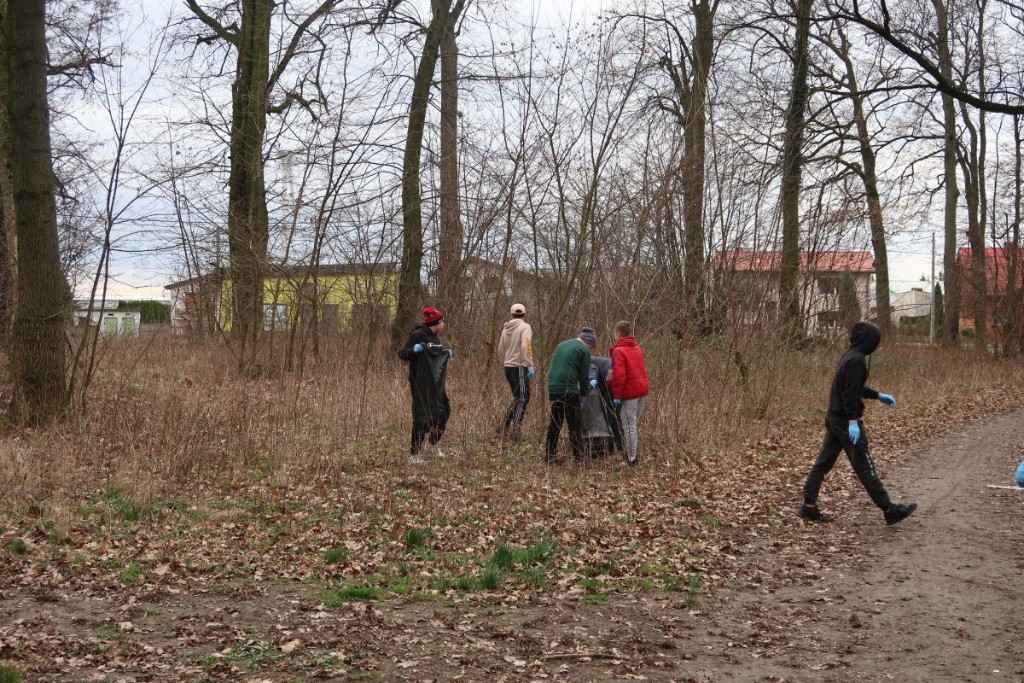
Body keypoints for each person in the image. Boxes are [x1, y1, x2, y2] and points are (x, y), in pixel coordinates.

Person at [797, 321, 917, 525]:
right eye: (875, 340)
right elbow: (849, 395)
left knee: (823, 462)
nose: (876, 344)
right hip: (845, 421)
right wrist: (853, 421)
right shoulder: (857, 360)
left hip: (834, 417)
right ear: (868, 340)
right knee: (865, 467)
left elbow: (854, 387)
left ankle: (808, 506)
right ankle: (889, 510)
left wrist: (878, 395)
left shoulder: (850, 355)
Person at [397, 307, 455, 462]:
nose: (443, 324)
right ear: (435, 322)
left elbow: (435, 356)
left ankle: (433, 444)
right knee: (422, 416)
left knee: (444, 411)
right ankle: (414, 454)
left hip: (435, 383)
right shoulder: (419, 334)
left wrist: (447, 353)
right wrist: (413, 351)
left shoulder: (435, 337)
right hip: (420, 382)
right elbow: (402, 353)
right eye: (441, 321)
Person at [545, 327, 596, 463]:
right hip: (569, 389)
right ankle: (579, 459)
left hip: (553, 387)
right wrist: (583, 394)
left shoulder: (562, 344)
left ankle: (549, 455)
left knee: (555, 423)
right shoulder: (584, 350)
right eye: (592, 347)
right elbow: (584, 376)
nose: (591, 350)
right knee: (574, 425)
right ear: (589, 342)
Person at [609, 320, 649, 467]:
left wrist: (617, 396)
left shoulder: (619, 351)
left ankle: (632, 459)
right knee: (633, 425)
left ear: (618, 334)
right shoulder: (637, 348)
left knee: (629, 426)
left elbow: (619, 377)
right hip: (641, 391)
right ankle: (630, 456)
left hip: (630, 394)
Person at [497, 303, 535, 442]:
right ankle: (516, 431)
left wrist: (504, 362)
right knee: (523, 398)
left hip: (508, 366)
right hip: (519, 366)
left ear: (511, 314)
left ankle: (504, 425)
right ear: (524, 314)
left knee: (519, 397)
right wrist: (530, 365)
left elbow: (500, 349)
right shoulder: (525, 327)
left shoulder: (506, 328)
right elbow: (526, 346)